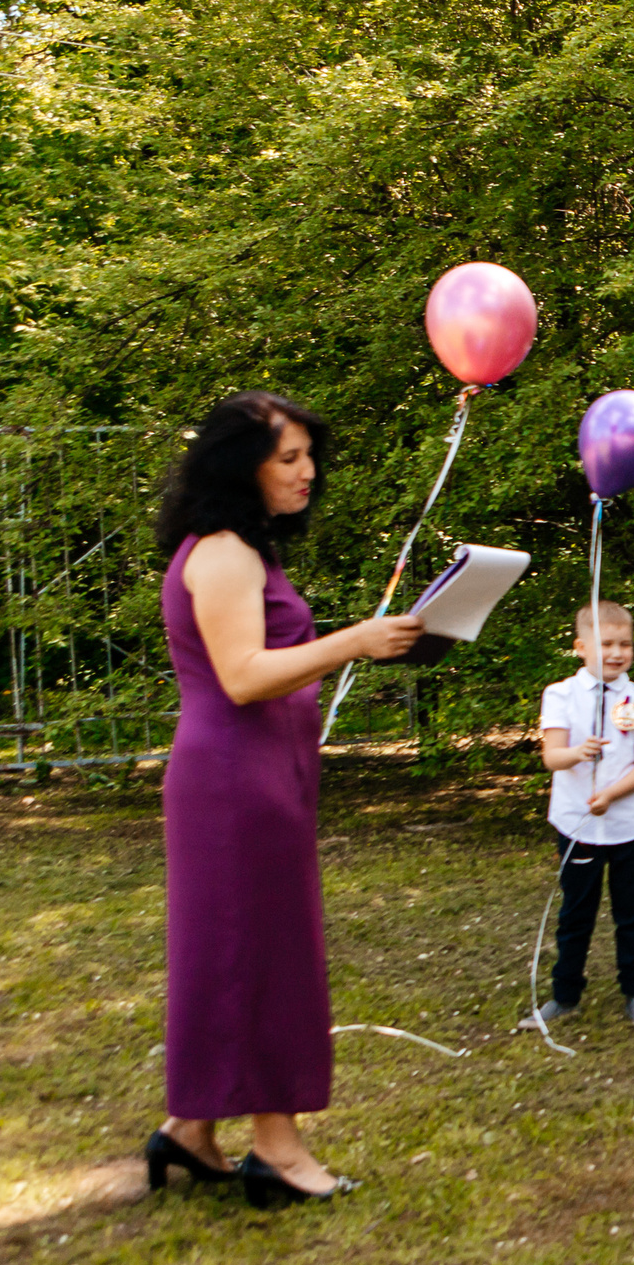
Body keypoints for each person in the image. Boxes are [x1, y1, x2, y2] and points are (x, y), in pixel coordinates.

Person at [151, 391, 424, 1207]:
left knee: (236, 952)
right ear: (244, 466)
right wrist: (355, 641)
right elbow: (242, 675)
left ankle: (191, 1129)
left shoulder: (245, 549)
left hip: (259, 775)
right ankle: (276, 1146)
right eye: (289, 458)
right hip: (233, 783)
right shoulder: (225, 552)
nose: (308, 472)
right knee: (264, 956)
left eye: (310, 456)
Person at [532, 600, 634, 1029]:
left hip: (631, 824)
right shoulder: (560, 694)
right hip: (577, 824)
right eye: (606, 643)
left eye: (625, 643)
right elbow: (552, 757)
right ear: (580, 647)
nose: (616, 652)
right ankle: (564, 994)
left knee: (633, 912)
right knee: (576, 913)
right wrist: (577, 752)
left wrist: (611, 793)